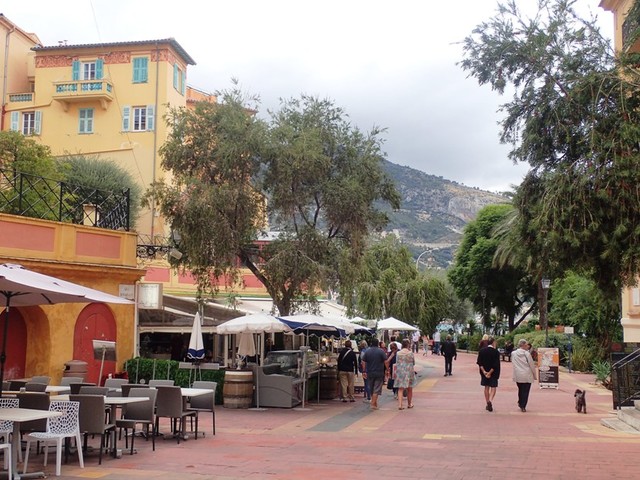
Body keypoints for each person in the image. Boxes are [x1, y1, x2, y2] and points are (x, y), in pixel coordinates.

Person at [511, 338, 537, 412]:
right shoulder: (527, 354)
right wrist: (534, 375)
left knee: (520, 389)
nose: (527, 346)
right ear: (524, 345)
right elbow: (531, 365)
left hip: (518, 374)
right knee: (526, 391)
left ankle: (520, 402)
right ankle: (523, 405)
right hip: (527, 374)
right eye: (526, 345)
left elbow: (513, 363)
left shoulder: (513, 353)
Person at [361, 338, 387, 410]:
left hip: (370, 372)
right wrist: (387, 370)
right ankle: (373, 404)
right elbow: (386, 361)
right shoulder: (381, 351)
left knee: (372, 389)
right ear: (378, 343)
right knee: (376, 389)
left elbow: (363, 362)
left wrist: (364, 371)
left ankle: (375, 404)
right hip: (379, 372)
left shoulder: (367, 351)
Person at [476, 336, 500, 412]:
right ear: (493, 343)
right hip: (493, 372)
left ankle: (487, 402)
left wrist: (484, 372)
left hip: (484, 372)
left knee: (486, 387)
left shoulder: (482, 351)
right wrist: (490, 372)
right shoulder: (496, 352)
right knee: (493, 387)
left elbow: (479, 362)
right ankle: (490, 400)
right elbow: (496, 364)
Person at [394, 339, 415, 409]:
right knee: (409, 388)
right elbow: (413, 362)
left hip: (400, 372)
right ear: (408, 345)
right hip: (409, 372)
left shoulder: (398, 353)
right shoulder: (410, 353)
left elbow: (396, 362)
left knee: (400, 388)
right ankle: (409, 404)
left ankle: (400, 405)